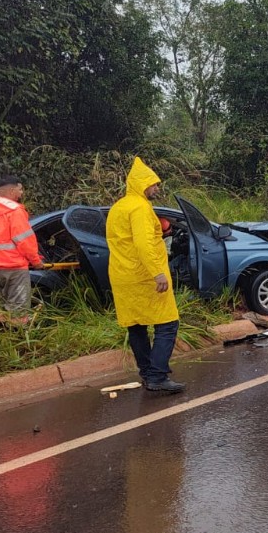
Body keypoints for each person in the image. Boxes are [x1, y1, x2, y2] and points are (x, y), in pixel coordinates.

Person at [106, 157, 185, 393]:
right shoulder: (140, 208)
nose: (157, 188)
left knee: (136, 325)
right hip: (144, 277)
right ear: (142, 184)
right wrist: (158, 273)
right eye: (154, 184)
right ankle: (157, 376)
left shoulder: (118, 207)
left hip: (123, 276)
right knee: (168, 323)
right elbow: (143, 244)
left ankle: (147, 372)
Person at [0, 175, 45, 322]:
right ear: (12, 190)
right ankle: (17, 341)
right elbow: (25, 241)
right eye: (20, 189)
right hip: (14, 268)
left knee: (5, 307)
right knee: (19, 312)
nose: (22, 193)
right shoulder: (14, 212)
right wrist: (36, 261)